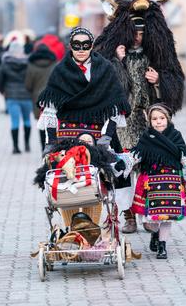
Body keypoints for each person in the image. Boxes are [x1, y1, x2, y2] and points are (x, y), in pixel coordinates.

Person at [94, 0, 185, 233]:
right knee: (122, 167)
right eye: (134, 32)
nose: (137, 37)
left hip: (145, 120)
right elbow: (105, 83)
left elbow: (174, 79)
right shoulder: (113, 54)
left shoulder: (154, 54)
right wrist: (119, 62)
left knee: (148, 168)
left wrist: (158, 81)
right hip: (122, 121)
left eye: (142, 33)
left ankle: (148, 211)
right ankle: (128, 215)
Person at [37, 26, 131, 226]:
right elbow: (51, 109)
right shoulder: (60, 71)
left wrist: (105, 139)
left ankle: (92, 232)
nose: (81, 49)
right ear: (70, 46)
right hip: (66, 137)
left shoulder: (105, 68)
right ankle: (72, 231)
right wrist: (51, 144)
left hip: (96, 135)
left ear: (92, 46)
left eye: (85, 45)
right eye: (76, 45)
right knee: (66, 184)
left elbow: (114, 107)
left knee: (95, 185)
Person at [131, 103, 186, 259]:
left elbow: (185, 156)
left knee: (167, 216)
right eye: (154, 119)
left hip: (172, 182)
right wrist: (124, 162)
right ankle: (155, 233)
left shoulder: (175, 135)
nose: (158, 121)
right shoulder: (147, 137)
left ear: (168, 119)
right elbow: (137, 154)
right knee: (152, 220)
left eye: (161, 118)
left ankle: (162, 246)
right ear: (150, 121)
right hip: (151, 182)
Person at [0, 41, 32, 154]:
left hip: (11, 96)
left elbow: (0, 81)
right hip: (26, 96)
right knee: (27, 120)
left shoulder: (5, 63)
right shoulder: (28, 62)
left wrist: (3, 91)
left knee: (14, 121)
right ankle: (27, 144)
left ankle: (16, 147)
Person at [25, 44, 56, 151]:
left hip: (37, 98)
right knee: (52, 123)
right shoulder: (55, 64)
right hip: (53, 97)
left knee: (41, 123)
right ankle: (52, 147)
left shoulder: (31, 65)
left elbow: (28, 85)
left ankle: (43, 148)